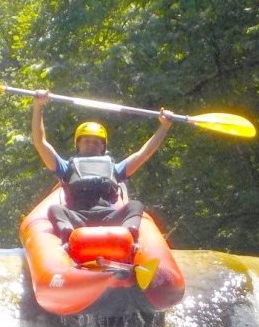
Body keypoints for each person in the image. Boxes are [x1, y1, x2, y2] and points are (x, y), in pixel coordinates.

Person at [31, 90, 174, 243]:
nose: (91, 144)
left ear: (103, 147)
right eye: (86, 141)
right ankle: (68, 236)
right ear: (78, 145)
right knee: (55, 210)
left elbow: (144, 154)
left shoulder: (115, 169)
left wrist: (164, 127)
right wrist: (38, 106)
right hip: (77, 218)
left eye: (96, 142)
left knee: (135, 205)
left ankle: (128, 237)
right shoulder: (65, 167)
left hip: (108, 218)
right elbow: (40, 142)